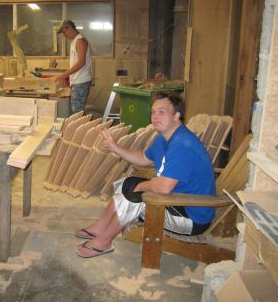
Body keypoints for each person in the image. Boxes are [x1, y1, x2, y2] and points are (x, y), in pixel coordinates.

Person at [75, 92, 216, 258]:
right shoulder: (164, 138)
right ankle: (101, 226)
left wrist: (141, 187)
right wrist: (115, 147)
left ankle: (104, 242)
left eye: (162, 112)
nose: (155, 117)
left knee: (136, 199)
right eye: (153, 112)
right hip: (177, 199)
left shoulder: (183, 144)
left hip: (192, 216)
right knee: (128, 182)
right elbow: (143, 158)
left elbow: (163, 187)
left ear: (177, 115)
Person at [55, 20, 92, 115]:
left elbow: (81, 63)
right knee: (76, 111)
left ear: (70, 28)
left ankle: (80, 130)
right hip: (76, 81)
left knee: (77, 113)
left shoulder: (80, 41)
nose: (64, 35)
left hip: (81, 81)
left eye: (64, 32)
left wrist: (64, 75)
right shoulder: (74, 41)